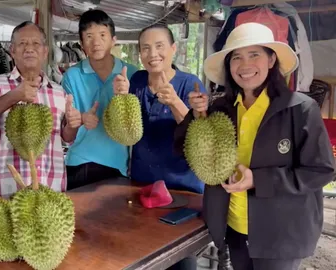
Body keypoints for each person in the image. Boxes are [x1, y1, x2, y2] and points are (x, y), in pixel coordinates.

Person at [175, 22, 335, 270]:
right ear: (229, 66)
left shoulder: (300, 109)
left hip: (280, 235)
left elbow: (321, 170)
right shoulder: (220, 109)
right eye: (236, 57)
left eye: (254, 55)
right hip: (234, 227)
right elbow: (185, 149)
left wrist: (258, 180)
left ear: (271, 60)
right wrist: (197, 117)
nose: (245, 65)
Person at [123, 24, 206, 270]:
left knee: (180, 259)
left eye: (159, 46)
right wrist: (120, 97)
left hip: (183, 190)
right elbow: (129, 128)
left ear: (173, 49)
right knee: (143, 252)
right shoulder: (137, 80)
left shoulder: (190, 83)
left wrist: (176, 103)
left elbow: (199, 135)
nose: (153, 54)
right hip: (142, 185)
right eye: (146, 48)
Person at [0, 21, 80, 196]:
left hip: (50, 189)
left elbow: (66, 138)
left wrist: (72, 125)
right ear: (12, 50)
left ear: (45, 51)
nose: (29, 49)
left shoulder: (58, 91)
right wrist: (13, 96)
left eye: (35, 44)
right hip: (5, 191)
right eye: (22, 44)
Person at [61, 9, 138, 190]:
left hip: (118, 166)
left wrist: (125, 97)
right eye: (89, 36)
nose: (96, 42)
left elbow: (136, 127)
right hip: (80, 164)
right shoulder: (71, 76)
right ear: (81, 43)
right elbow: (66, 134)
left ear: (113, 40)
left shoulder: (133, 74)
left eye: (102, 35)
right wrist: (79, 120)